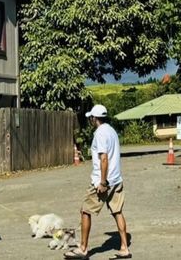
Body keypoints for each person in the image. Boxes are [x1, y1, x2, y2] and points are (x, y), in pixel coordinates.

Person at [64, 104, 131, 259]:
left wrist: (102, 182)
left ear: (94, 118)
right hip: (116, 178)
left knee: (85, 210)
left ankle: (83, 248)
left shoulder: (100, 133)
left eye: (91, 118)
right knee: (117, 211)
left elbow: (104, 159)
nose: (90, 120)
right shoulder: (112, 131)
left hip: (103, 181)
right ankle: (124, 247)